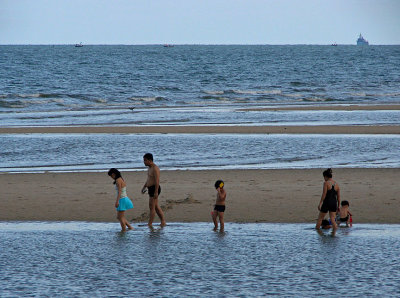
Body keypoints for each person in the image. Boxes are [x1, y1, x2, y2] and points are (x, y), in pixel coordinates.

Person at [141, 153, 166, 228]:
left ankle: (150, 224)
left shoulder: (155, 168)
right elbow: (149, 179)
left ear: (149, 160)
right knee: (156, 206)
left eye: (145, 160)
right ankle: (163, 221)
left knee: (152, 207)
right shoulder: (149, 168)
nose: (144, 162)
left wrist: (155, 192)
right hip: (150, 188)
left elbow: (157, 181)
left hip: (155, 188)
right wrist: (144, 186)